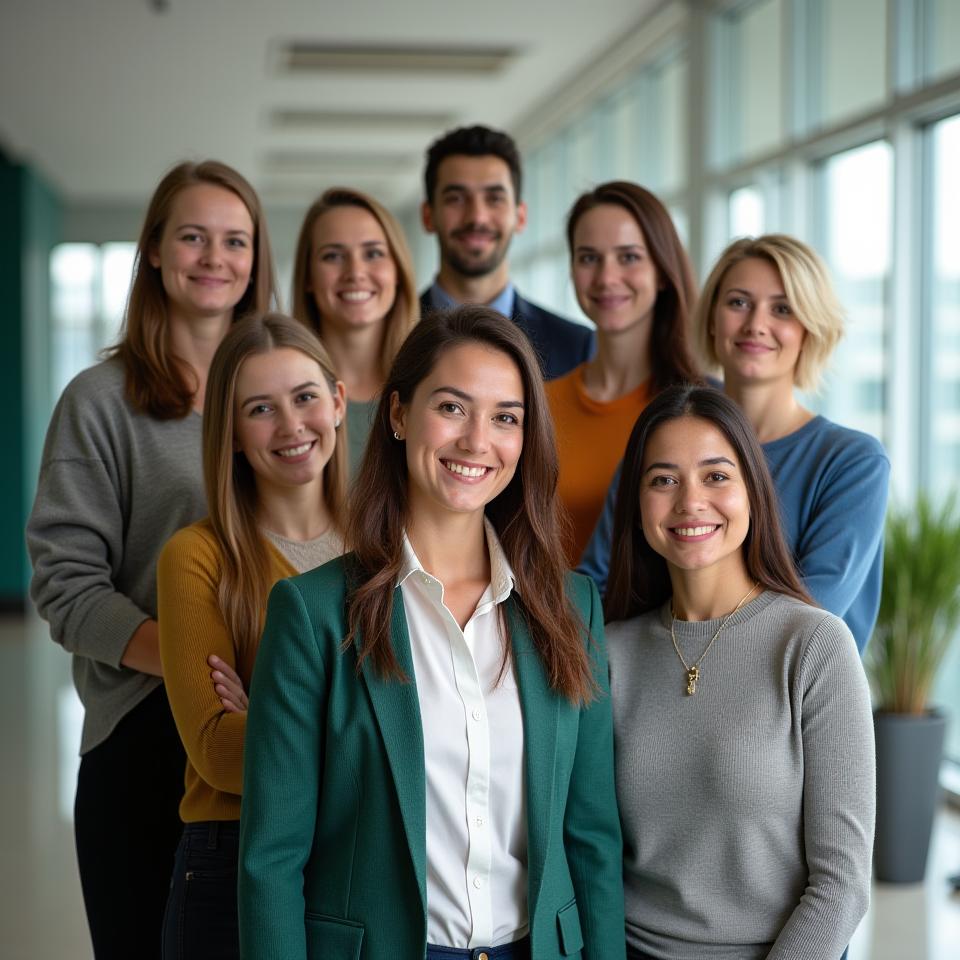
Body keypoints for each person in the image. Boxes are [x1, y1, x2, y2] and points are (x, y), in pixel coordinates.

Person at [238, 306, 625, 960]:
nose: (478, 441)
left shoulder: (571, 606)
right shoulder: (312, 613)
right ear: (397, 415)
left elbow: (591, 836)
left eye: (506, 417)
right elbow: (271, 862)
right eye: (452, 407)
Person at [26, 160, 277, 958]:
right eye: (193, 237)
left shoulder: (283, 396)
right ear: (156, 254)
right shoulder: (100, 402)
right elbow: (66, 586)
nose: (215, 257)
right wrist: (190, 666)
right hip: (142, 730)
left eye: (235, 240)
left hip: (271, 719)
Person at [605, 384, 875, 960]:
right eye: (663, 479)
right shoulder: (608, 652)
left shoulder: (814, 646)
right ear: (636, 503)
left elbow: (841, 888)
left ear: (754, 490)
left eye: (716, 476)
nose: (689, 502)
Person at [580, 234, 889, 652]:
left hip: (798, 702)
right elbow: (599, 584)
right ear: (711, 318)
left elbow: (810, 617)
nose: (755, 324)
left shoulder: (852, 462)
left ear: (810, 328)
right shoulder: (663, 437)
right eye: (738, 302)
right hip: (660, 678)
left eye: (782, 309)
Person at [157, 313, 347, 959]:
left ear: (339, 402)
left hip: (354, 856)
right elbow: (216, 750)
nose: (291, 426)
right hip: (229, 855)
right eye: (260, 409)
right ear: (232, 434)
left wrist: (271, 714)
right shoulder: (195, 558)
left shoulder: (389, 550)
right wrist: (372, 729)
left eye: (305, 398)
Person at [547, 181, 700, 565]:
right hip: (542, 620)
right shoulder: (536, 405)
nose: (606, 277)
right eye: (588, 258)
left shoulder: (700, 412)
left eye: (628, 257)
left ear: (662, 271)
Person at [420, 124, 593, 380]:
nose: (477, 217)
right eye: (456, 198)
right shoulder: (388, 336)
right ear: (428, 216)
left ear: (520, 216)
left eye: (494, 199)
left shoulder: (575, 347)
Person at [290, 186, 419, 476]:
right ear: (308, 276)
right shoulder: (281, 394)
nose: (356, 272)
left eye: (373, 253)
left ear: (397, 270)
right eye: (333, 256)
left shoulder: (430, 385)